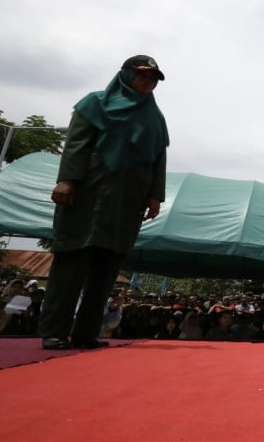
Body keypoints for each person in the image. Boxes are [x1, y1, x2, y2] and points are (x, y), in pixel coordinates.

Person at [38, 55, 168, 351]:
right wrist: (67, 179)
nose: (148, 81)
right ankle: (54, 331)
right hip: (88, 194)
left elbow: (158, 158)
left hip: (127, 201)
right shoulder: (95, 103)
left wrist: (154, 196)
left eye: (153, 78)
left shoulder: (155, 118)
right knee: (72, 261)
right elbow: (76, 144)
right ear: (125, 74)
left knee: (106, 268)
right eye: (142, 75)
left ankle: (86, 333)